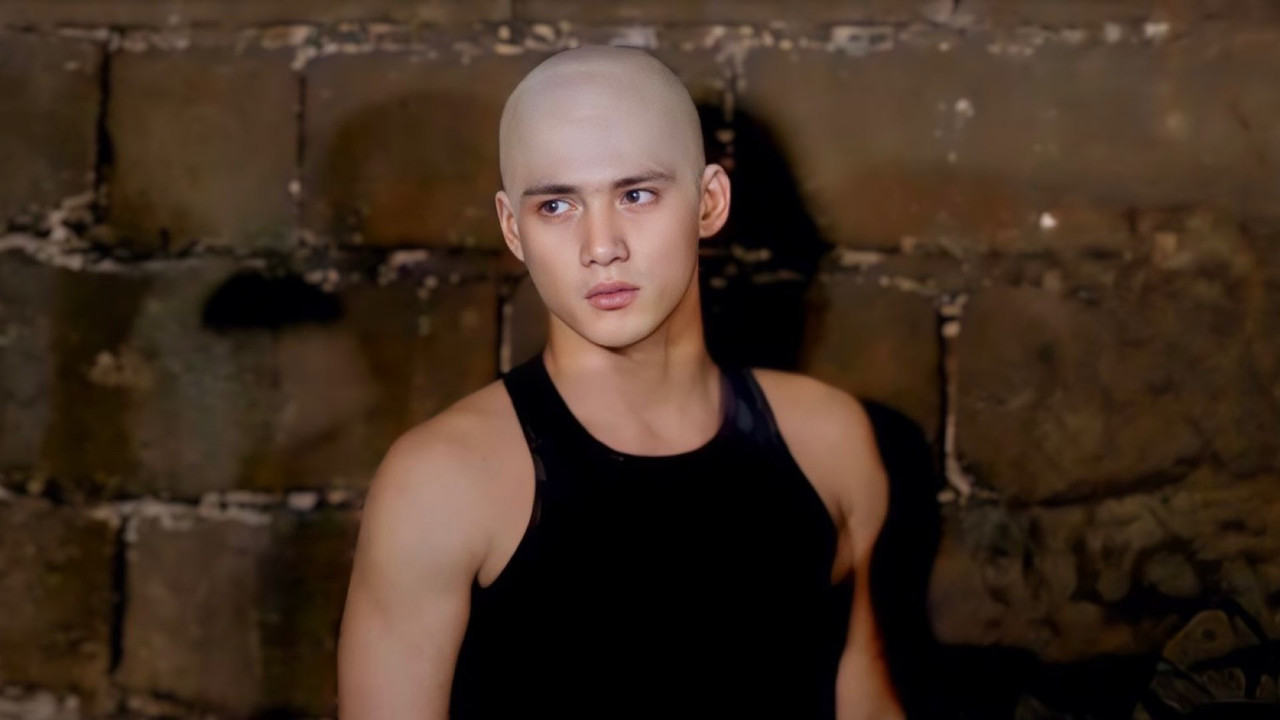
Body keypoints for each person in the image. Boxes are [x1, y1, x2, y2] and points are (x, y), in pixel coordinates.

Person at [337, 45, 904, 719]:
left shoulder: (828, 442)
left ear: (710, 202)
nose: (601, 246)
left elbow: (864, 702)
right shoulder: (443, 482)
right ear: (513, 229)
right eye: (557, 206)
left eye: (636, 195)